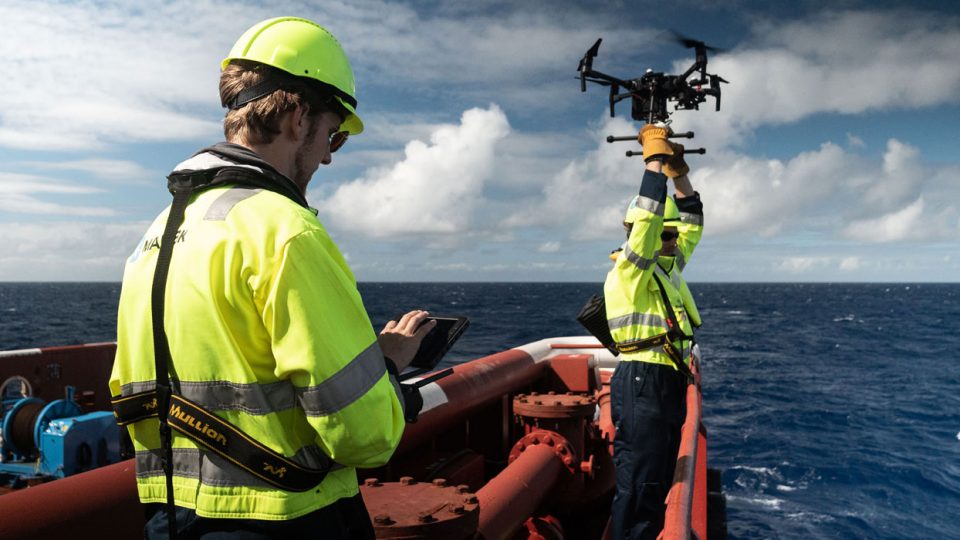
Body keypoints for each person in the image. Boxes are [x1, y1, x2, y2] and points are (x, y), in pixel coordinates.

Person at [109, 17, 434, 539]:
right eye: (333, 134)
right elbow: (363, 436)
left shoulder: (159, 234)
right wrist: (389, 370)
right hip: (288, 517)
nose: (328, 154)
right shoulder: (286, 231)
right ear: (298, 118)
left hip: (171, 517)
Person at [604, 123, 704, 539]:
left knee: (660, 472)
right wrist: (654, 165)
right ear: (633, 232)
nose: (669, 239)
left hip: (667, 377)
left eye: (670, 233)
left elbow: (693, 224)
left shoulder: (669, 268)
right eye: (662, 234)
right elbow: (648, 225)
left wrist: (680, 175)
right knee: (640, 477)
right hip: (641, 379)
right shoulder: (630, 270)